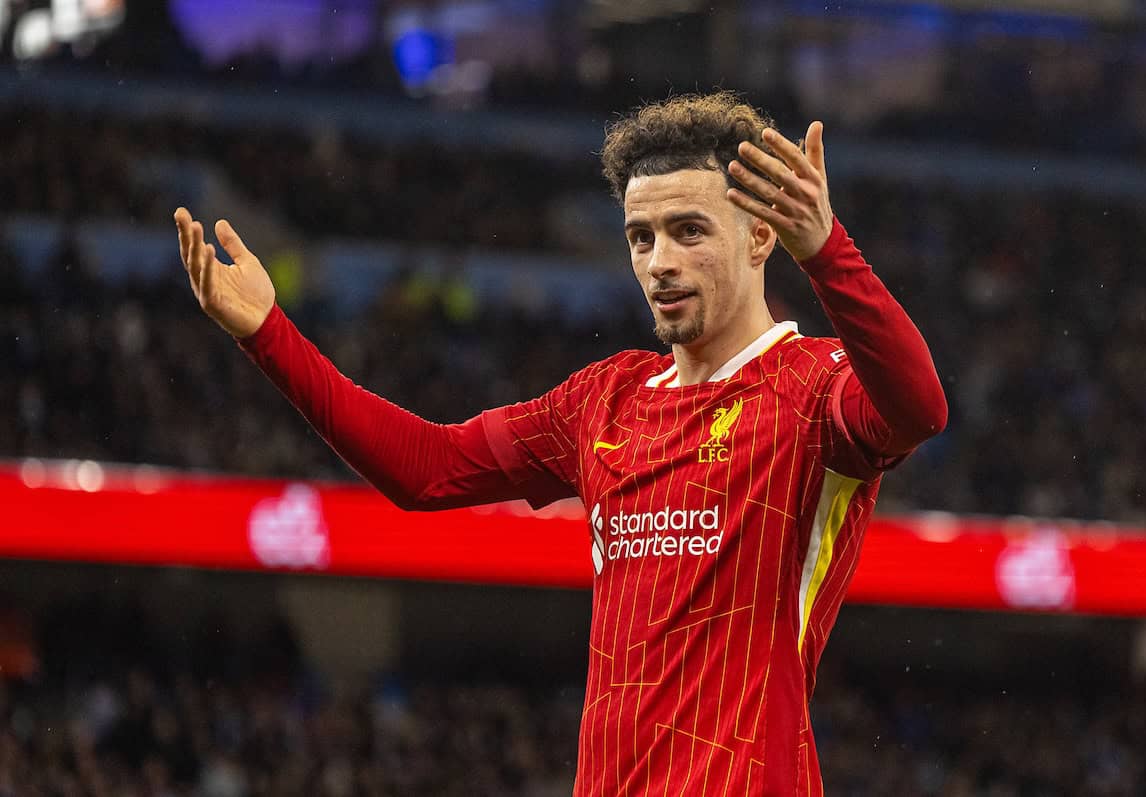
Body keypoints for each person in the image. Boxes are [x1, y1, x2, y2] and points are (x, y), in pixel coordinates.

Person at [174, 92, 946, 796]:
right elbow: (427, 469)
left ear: (760, 238)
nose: (660, 262)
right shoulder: (603, 400)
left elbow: (918, 407)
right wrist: (270, 336)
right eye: (640, 237)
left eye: (689, 231)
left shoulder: (812, 385)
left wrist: (829, 251)